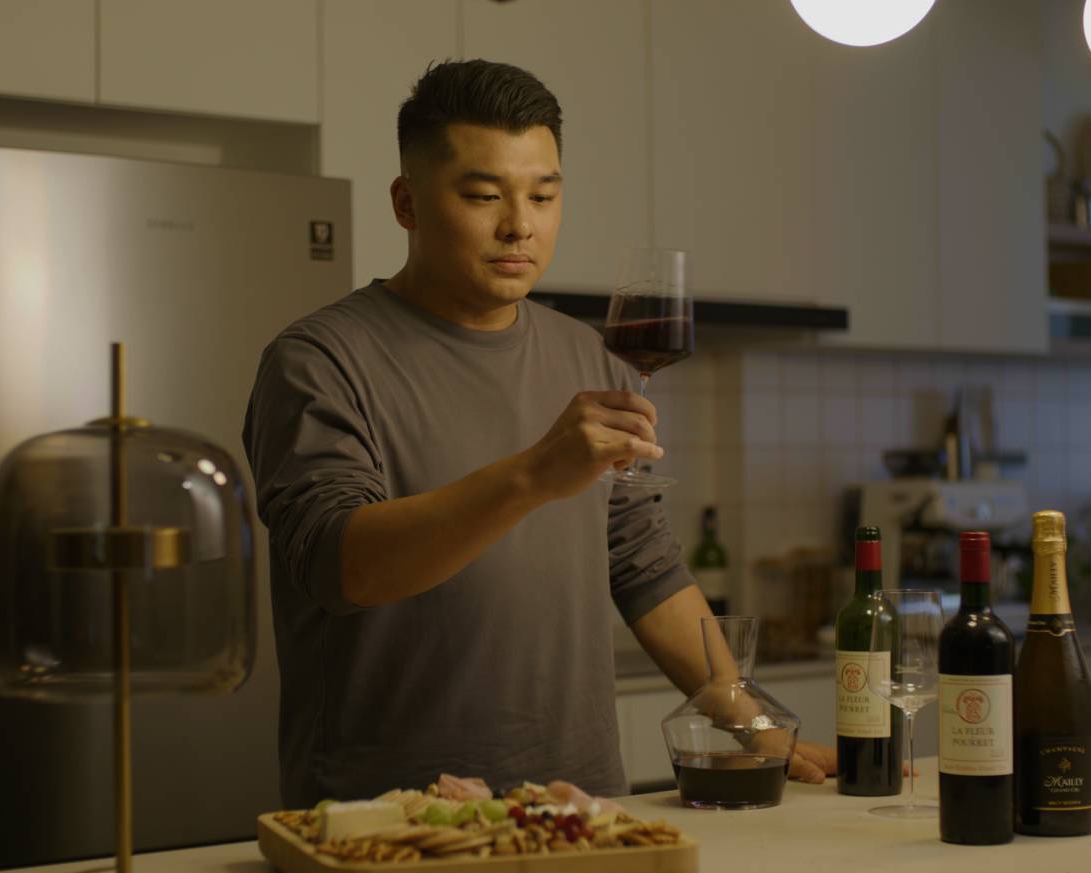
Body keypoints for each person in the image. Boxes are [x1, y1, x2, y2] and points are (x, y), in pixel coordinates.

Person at [243, 59, 836, 808]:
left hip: (580, 805)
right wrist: (532, 476)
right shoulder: (319, 362)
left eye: (544, 195)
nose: (519, 224)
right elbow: (342, 567)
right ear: (406, 203)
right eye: (484, 195)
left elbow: (644, 565)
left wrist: (750, 717)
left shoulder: (589, 355)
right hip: (386, 819)